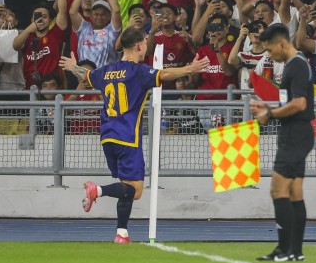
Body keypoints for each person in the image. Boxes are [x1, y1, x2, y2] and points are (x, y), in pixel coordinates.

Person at [59, 27, 208, 243]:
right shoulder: (137, 71)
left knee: (125, 186)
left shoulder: (106, 71)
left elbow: (86, 75)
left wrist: (73, 67)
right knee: (135, 190)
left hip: (107, 136)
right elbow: (163, 74)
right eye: (145, 42)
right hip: (127, 137)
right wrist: (190, 68)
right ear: (139, 46)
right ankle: (97, 190)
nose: (146, 45)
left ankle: (122, 233)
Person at [251, 23, 315, 263]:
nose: (269, 55)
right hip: (297, 132)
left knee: (277, 190)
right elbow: (292, 103)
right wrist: (268, 108)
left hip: (295, 134)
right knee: (294, 193)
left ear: (281, 43)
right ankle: (295, 252)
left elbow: (299, 104)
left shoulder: (297, 66)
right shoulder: (295, 65)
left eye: (269, 50)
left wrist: (269, 115)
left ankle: (283, 249)